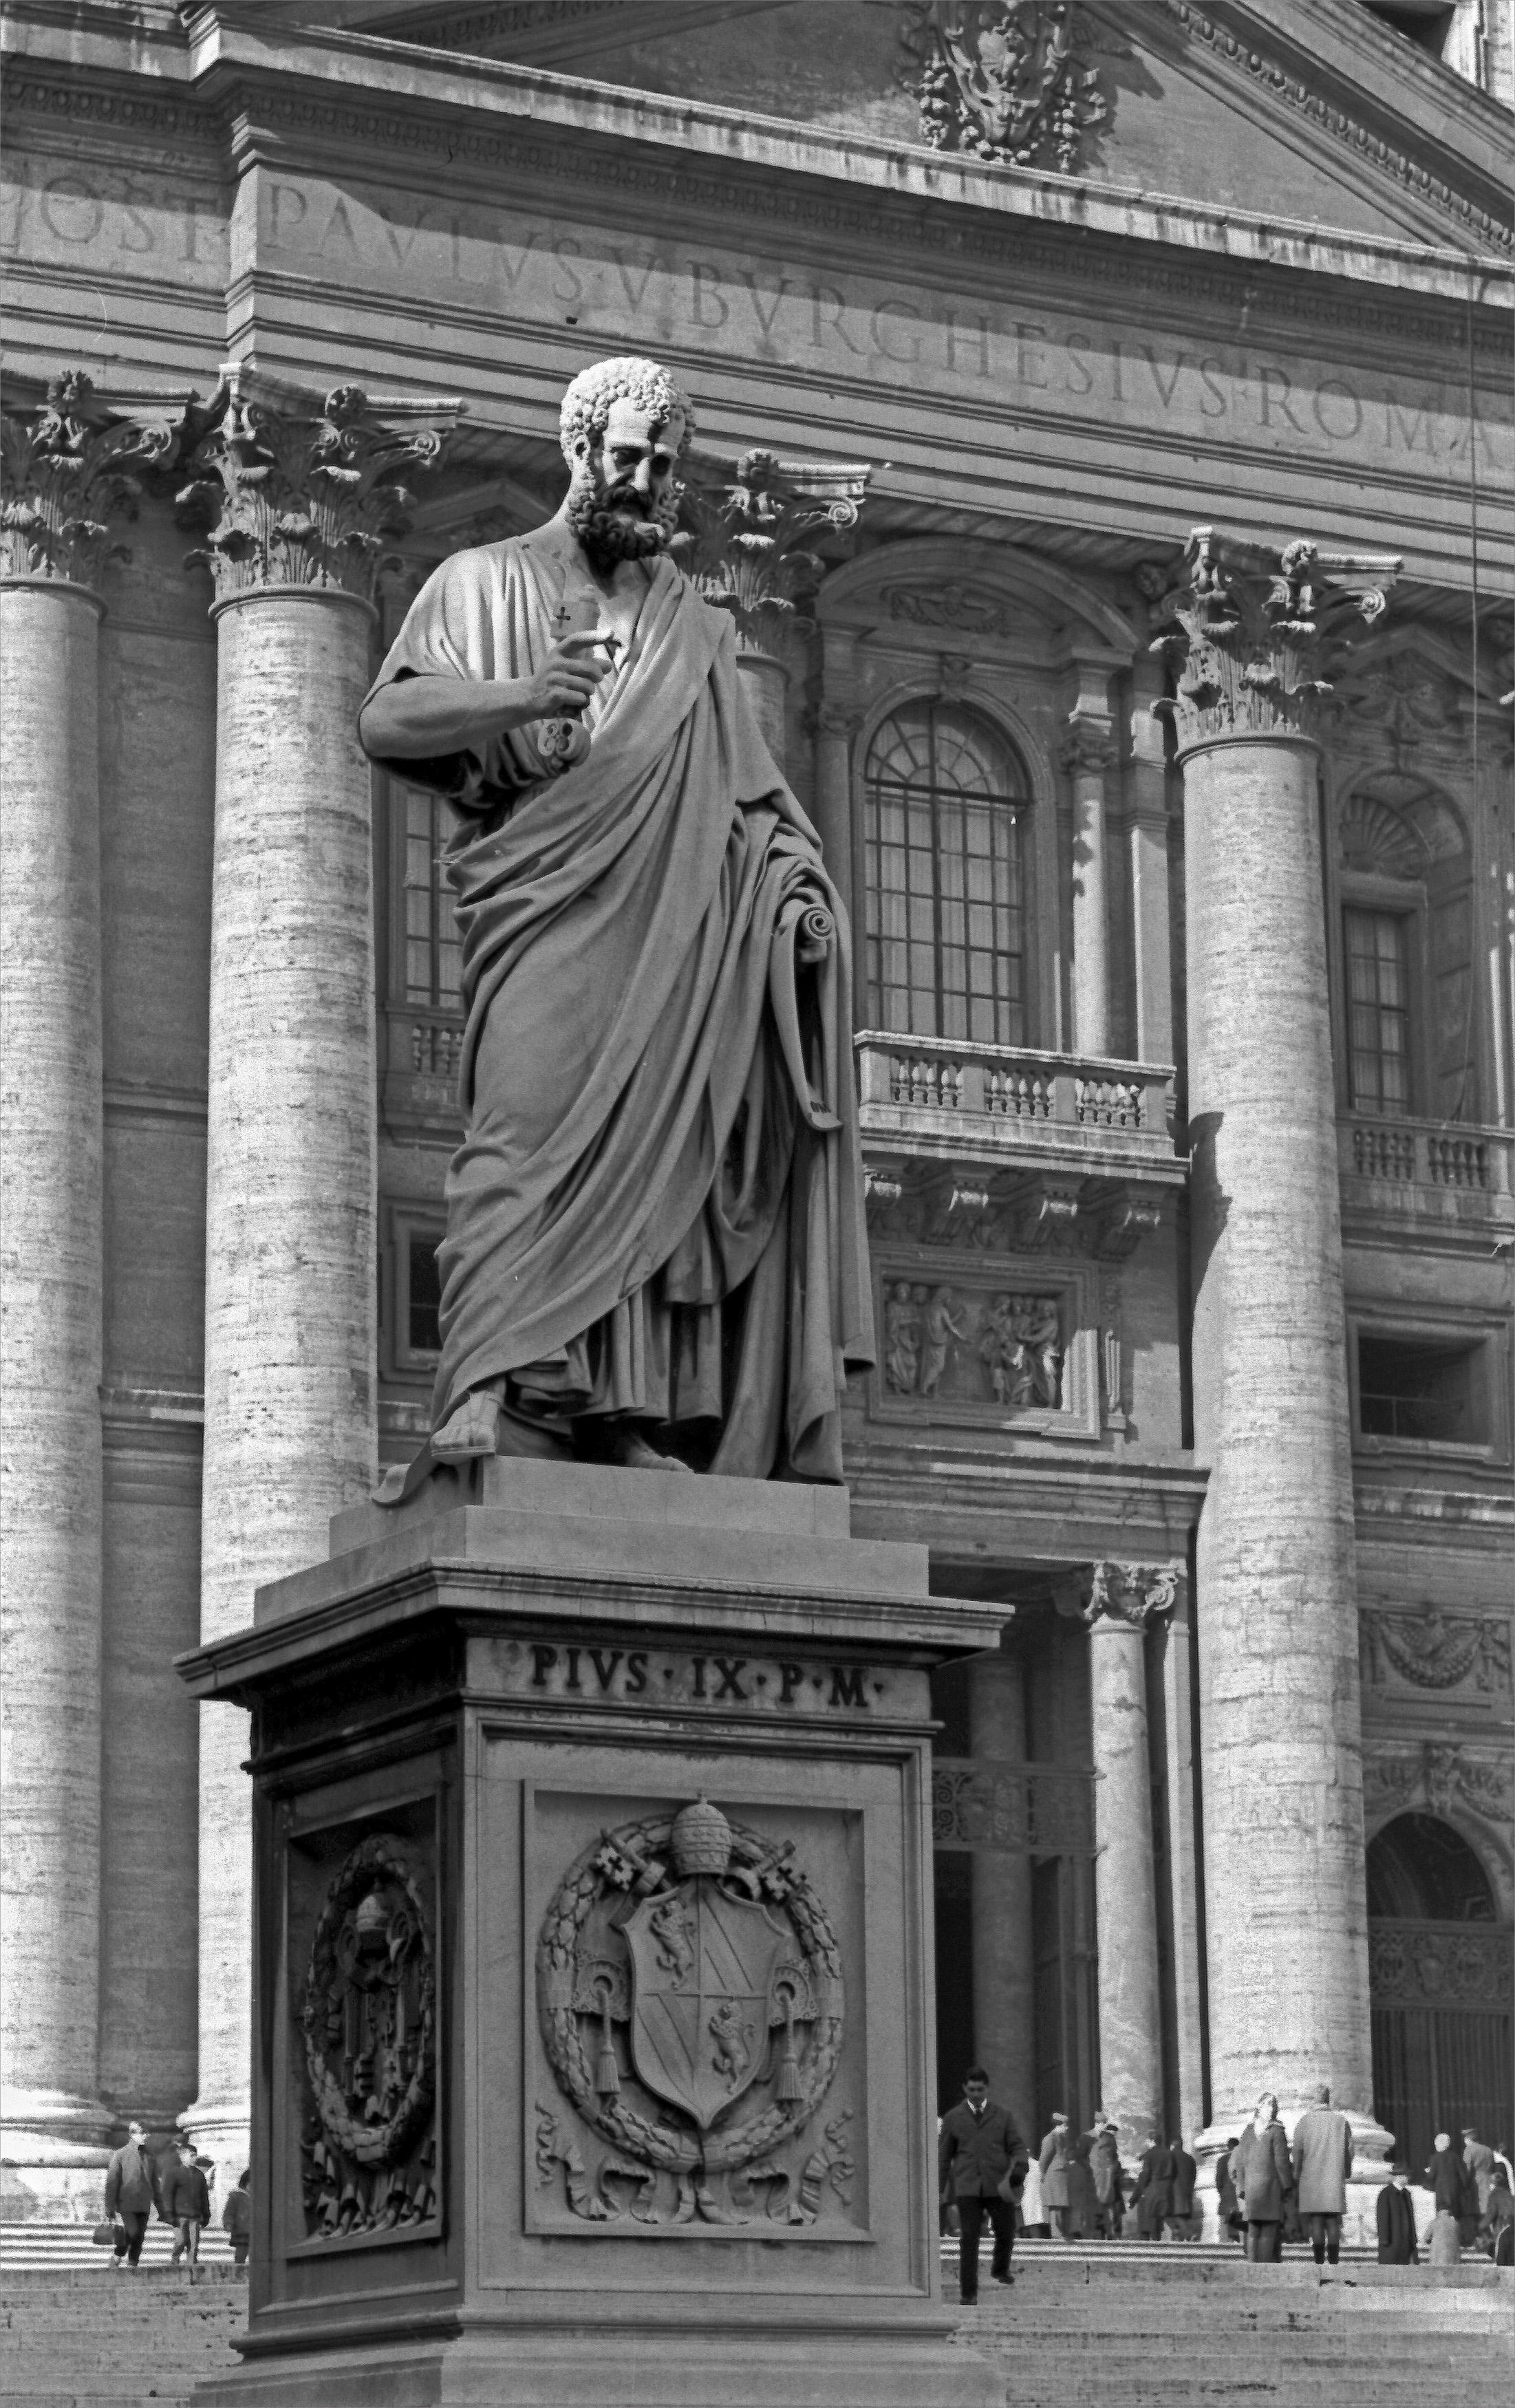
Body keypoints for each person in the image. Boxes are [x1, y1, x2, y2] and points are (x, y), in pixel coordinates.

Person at [360, 354, 872, 1492]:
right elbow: (388, 722)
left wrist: (793, 899)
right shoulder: (479, 581)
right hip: (545, 918)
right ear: (579, 450)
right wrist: (525, 695)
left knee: (660, 1166)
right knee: (521, 1145)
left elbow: (752, 801)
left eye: (664, 463)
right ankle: (488, 1390)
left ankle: (611, 1412)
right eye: (628, 454)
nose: (644, 478)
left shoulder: (691, 631)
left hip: (675, 939)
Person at [938, 2066, 1028, 2305]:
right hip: (968, 2186)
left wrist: (1020, 2166)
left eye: (980, 2089)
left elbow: (1017, 2146)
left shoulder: (1003, 2116)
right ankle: (969, 2291)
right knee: (969, 2237)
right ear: (965, 2089)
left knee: (1006, 2230)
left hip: (998, 2184)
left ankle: (1000, 2268)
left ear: (986, 2088)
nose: (976, 2094)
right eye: (972, 2089)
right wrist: (938, 2188)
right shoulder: (953, 2118)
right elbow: (944, 2157)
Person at [1290, 2082, 1354, 2268]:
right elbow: (1349, 2150)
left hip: (1311, 2178)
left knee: (1317, 2220)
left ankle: (1318, 2259)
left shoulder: (1305, 2122)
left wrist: (1297, 2174)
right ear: (1328, 2098)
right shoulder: (1341, 2121)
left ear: (1314, 2100)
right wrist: (1346, 2171)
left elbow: (1297, 2151)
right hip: (1333, 2176)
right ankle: (1334, 2260)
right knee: (1333, 2220)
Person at [1232, 2092, 1293, 2261]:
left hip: (1251, 2187)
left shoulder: (1248, 2131)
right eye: (1271, 2105)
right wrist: (1288, 2185)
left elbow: (1240, 2162)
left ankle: (1253, 2264)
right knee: (1269, 2227)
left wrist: (1241, 2187)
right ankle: (1265, 2267)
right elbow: (1281, 2162)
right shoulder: (1277, 2131)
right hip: (1271, 2186)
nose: (1272, 2108)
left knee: (1253, 2228)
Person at [104, 2121, 162, 2272]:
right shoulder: (120, 2155)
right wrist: (109, 2207)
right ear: (132, 2134)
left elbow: (155, 2183)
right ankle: (118, 2254)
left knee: (139, 2236)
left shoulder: (150, 2156)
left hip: (144, 2203)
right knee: (132, 2231)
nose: (146, 2136)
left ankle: (133, 2265)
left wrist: (161, 2207)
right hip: (127, 2202)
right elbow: (112, 2182)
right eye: (142, 2132)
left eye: (147, 2132)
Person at [162, 2138, 211, 2282]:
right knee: (181, 2241)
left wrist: (206, 2214)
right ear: (183, 2157)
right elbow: (167, 2194)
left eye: (195, 2155)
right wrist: (169, 2213)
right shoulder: (174, 2173)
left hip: (195, 2215)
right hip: (180, 2215)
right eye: (191, 2155)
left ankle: (191, 2273)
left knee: (194, 2244)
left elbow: (204, 2196)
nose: (194, 2158)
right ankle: (175, 2260)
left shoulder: (199, 2175)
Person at [1424, 2131, 1472, 2263]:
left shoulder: (1435, 2158)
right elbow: (1464, 2177)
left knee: (1441, 2220)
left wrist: (1427, 2181)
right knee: (1454, 2221)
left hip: (1441, 2194)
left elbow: (1431, 2177)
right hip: (1454, 2194)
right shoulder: (1455, 2157)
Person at [1130, 2135, 1175, 2239]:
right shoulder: (1168, 2154)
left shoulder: (1149, 2155)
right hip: (1165, 2192)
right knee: (1157, 2226)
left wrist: (1133, 2200)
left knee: (1146, 2227)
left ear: (1151, 2141)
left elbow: (1145, 2175)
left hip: (1150, 2193)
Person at [1038, 2111, 1074, 2239]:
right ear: (1058, 2125)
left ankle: (1063, 2231)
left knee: (1063, 2204)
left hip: (1062, 2175)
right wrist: (1042, 2175)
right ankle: (1056, 2233)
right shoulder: (1050, 2138)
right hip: (1054, 2176)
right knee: (1056, 2205)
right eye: (1065, 2125)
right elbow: (1044, 2159)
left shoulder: (1062, 2138)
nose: (1067, 2127)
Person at [1375, 2163, 1419, 2264]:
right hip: (1392, 2241)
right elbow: (1383, 2218)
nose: (1408, 2178)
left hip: (1406, 2242)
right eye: (1406, 2175)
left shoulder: (1406, 2194)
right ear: (1398, 2177)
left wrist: (1413, 2239)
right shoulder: (1386, 2194)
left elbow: (1411, 2219)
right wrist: (1384, 2239)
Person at [1088, 2118, 1124, 2239]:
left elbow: (1114, 2160)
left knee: (1105, 2209)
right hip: (1099, 2182)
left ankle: (1107, 2233)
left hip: (1104, 2182)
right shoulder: (1089, 2138)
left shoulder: (1107, 2140)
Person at [1167, 2136, 1200, 2240]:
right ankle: (1180, 2235)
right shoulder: (1190, 2158)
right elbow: (1194, 2175)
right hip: (1187, 2190)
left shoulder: (1170, 2156)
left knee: (1174, 2215)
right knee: (1183, 2215)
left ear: (1172, 2146)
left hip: (1173, 2191)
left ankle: (1188, 2233)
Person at [222, 2167, 251, 2275]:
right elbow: (229, 2212)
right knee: (240, 2256)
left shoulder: (260, 2197)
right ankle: (238, 2274)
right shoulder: (236, 2196)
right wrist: (228, 2224)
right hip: (241, 2232)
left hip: (257, 2232)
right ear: (245, 2183)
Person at [1462, 2125, 1496, 2219]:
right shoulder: (1488, 2150)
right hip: (1488, 2179)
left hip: (1475, 2181)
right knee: (1487, 2205)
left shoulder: (1469, 2150)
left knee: (1476, 2209)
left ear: (1468, 2139)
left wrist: (1465, 2184)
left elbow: (1467, 2169)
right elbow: (1493, 2167)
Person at [1216, 2136, 1244, 2243]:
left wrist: (1222, 2193)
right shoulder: (1243, 2157)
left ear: (1228, 2147)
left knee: (1228, 2223)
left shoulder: (1222, 2159)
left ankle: (1230, 2240)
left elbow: (1219, 2180)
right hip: (1240, 2194)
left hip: (1227, 2194)